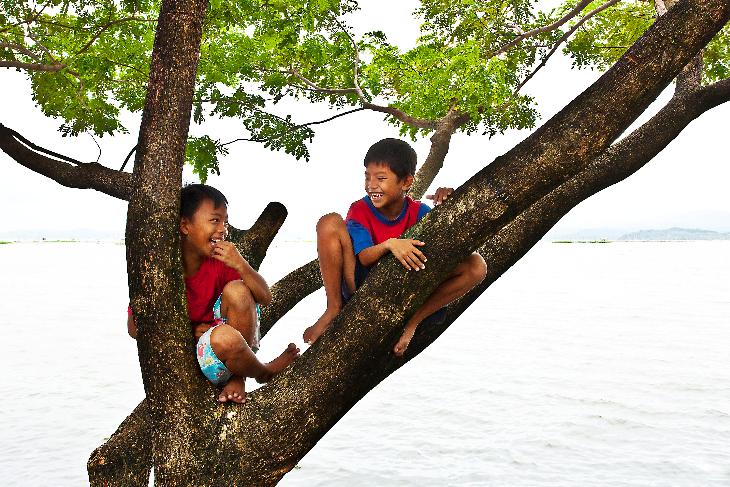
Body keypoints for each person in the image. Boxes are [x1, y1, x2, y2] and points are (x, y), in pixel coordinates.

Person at [302, 138, 487, 356]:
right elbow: (364, 257)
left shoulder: (419, 212)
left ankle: (413, 321)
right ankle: (333, 308)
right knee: (329, 221)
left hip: (404, 288)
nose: (371, 185)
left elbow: (449, 246)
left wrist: (449, 205)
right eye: (367, 177)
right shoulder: (360, 209)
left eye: (381, 178)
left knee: (476, 265)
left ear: (406, 182)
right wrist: (390, 244)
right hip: (360, 283)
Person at [127, 184, 299, 403]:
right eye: (215, 220)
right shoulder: (164, 269)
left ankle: (238, 377)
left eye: (225, 222)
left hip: (227, 345)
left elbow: (265, 297)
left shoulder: (219, 261)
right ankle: (264, 372)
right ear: (185, 225)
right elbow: (134, 329)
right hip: (199, 356)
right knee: (224, 337)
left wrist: (241, 264)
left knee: (238, 290)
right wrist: (187, 333)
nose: (223, 229)